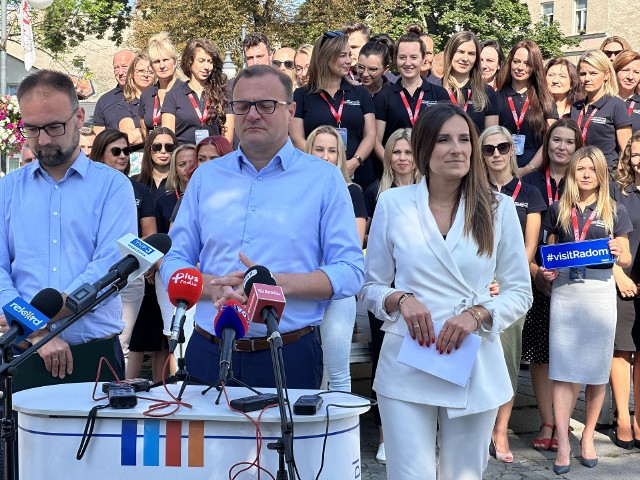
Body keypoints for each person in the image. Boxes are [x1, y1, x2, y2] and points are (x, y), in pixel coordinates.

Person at [160, 65, 364, 389]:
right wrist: (210, 285)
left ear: (290, 111)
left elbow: (351, 270)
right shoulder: (205, 178)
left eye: (266, 105)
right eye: (242, 106)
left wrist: (276, 286)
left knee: (288, 442)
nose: (253, 114)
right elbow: (174, 260)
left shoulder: (323, 180)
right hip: (208, 349)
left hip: (288, 353)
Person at [359, 103, 532, 479]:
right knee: (409, 474)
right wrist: (400, 300)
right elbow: (370, 286)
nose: (457, 149)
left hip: (472, 359)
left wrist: (479, 314)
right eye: (443, 139)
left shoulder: (498, 208)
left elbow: (520, 291)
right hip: (408, 358)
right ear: (423, 149)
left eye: (464, 139)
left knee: (464, 474)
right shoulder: (392, 204)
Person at [0, 70, 137, 381]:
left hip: (93, 352)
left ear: (78, 117)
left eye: (54, 126)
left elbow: (108, 269)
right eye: (32, 129)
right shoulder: (7, 189)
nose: (44, 140)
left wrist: (34, 323)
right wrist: (37, 333)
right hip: (22, 352)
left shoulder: (113, 187)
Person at [543, 146, 632, 474]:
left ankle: (589, 436)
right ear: (571, 173)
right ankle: (564, 442)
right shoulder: (558, 209)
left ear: (600, 174)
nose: (584, 174)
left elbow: (625, 259)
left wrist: (616, 251)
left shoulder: (614, 210)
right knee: (563, 368)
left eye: (591, 169)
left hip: (599, 291)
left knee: (596, 370)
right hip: (566, 291)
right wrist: (548, 269)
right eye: (579, 169)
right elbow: (550, 253)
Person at [479, 125, 546, 463]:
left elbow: (528, 249)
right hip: (476, 286)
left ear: (512, 150)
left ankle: (500, 430)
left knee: (506, 361)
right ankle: (478, 427)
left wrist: (503, 281)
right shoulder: (472, 189)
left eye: (502, 147)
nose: (496, 154)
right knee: (475, 361)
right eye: (488, 149)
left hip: (510, 287)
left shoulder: (530, 191)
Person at [520, 119, 583, 452]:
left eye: (568, 142)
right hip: (535, 275)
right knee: (541, 355)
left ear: (577, 146)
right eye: (555, 140)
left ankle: (564, 422)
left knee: (570, 354)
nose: (561, 147)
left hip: (573, 281)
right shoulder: (528, 182)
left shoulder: (585, 183)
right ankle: (547, 420)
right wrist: (533, 271)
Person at [362, 127, 421, 464]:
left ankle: (417, 431)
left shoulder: (430, 193)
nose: (401, 158)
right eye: (396, 152)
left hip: (419, 291)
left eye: (408, 152)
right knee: (384, 359)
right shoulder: (376, 191)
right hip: (385, 291)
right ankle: (385, 434)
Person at [89, 129, 157, 373]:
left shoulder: (138, 190)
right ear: (100, 154)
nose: (123, 156)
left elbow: (149, 233)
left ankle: (120, 399)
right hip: (90, 275)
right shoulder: (85, 189)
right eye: (115, 151)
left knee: (123, 342)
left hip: (127, 275)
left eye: (127, 151)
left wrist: (135, 258)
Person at [305, 125, 366, 392]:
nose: (326, 156)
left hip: (337, 290)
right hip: (301, 287)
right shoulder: (296, 193)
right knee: (307, 371)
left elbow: (353, 245)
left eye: (332, 151)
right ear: (309, 152)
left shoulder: (352, 192)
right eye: (319, 149)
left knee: (337, 372)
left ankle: (340, 435)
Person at [290, 31, 377, 191]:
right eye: (343, 55)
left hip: (358, 175)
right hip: (316, 176)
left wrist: (353, 162)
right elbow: (296, 138)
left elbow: (370, 134)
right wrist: (322, 163)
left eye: (350, 55)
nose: (349, 61)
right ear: (327, 56)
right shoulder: (302, 95)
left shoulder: (360, 92)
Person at [128, 128, 178, 381]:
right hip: (140, 268)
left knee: (164, 334)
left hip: (166, 268)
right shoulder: (136, 184)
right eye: (157, 146)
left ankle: (163, 387)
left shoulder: (179, 187)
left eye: (169, 147)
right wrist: (147, 263)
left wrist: (158, 265)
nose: (162, 152)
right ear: (148, 150)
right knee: (139, 333)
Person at [373, 32, 449, 162]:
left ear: (423, 59)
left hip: (430, 169)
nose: (408, 63)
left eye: (413, 57)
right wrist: (392, 164)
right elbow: (376, 141)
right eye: (402, 57)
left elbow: (446, 136)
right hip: (395, 170)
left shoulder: (439, 94)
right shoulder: (384, 96)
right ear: (396, 59)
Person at [609, 131, 640, 450]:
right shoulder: (619, 191)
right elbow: (608, 233)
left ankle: (639, 418)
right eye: (636, 154)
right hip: (623, 280)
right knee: (621, 351)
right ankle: (621, 417)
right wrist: (617, 273)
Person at [496, 40, 556, 175]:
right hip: (503, 170)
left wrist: (527, 169)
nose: (520, 67)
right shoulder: (496, 97)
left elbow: (550, 140)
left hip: (535, 171)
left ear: (535, 67)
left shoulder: (545, 99)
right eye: (516, 61)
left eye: (527, 63)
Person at [162, 38, 230, 146]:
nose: (206, 67)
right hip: (183, 158)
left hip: (212, 158)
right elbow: (167, 138)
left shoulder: (221, 94)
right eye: (201, 61)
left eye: (210, 62)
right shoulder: (173, 95)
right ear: (190, 62)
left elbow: (227, 140)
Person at [571, 50, 632, 171]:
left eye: (593, 73)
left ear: (607, 75)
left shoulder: (616, 104)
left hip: (605, 172)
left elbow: (627, 148)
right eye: (583, 74)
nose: (587, 78)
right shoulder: (576, 107)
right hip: (578, 170)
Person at [434, 31, 499, 132]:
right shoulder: (434, 88)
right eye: (460, 52)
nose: (465, 58)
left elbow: (490, 137)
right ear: (450, 53)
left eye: (471, 54)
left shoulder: (487, 92)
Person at [139, 32, 184, 140]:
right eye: (157, 62)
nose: (162, 66)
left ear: (175, 62)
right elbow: (145, 132)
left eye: (166, 60)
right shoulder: (146, 96)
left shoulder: (186, 92)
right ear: (151, 66)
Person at [117, 53, 155, 153]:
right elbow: (130, 137)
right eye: (141, 71)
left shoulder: (163, 99)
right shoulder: (125, 105)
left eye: (150, 72)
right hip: (139, 158)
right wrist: (161, 130)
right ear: (132, 74)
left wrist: (141, 131)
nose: (146, 75)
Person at [93, 50, 135, 133]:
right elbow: (98, 137)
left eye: (124, 66)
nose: (120, 72)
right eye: (116, 68)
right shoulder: (104, 101)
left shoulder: (148, 95)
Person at [613, 50, 640, 132]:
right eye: (625, 70)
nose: (630, 77)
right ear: (615, 72)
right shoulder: (603, 101)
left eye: (636, 72)